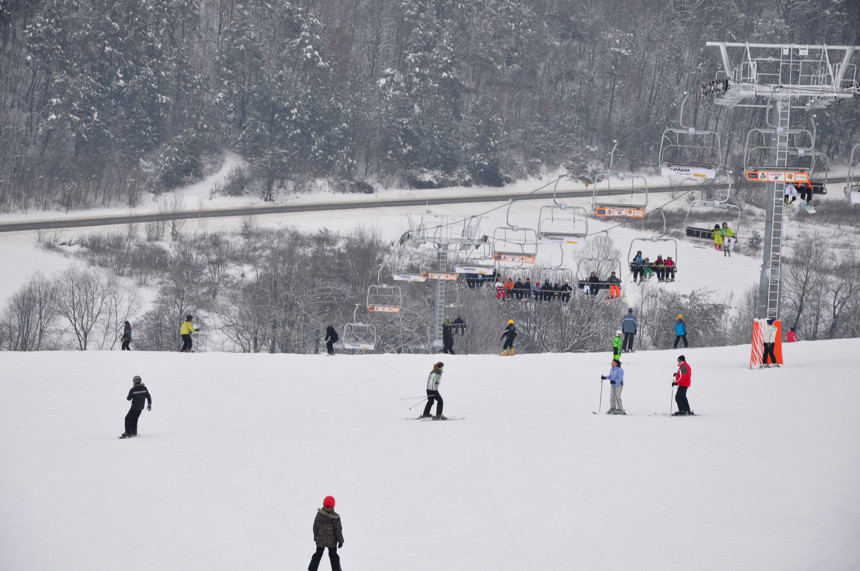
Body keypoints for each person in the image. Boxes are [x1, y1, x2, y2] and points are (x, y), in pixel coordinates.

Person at [308, 495, 344, 571]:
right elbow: (338, 531)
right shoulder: (336, 518)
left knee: (318, 554)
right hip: (332, 542)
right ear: (333, 504)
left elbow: (315, 527)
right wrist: (340, 541)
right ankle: (336, 569)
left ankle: (312, 569)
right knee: (333, 556)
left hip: (320, 541)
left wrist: (316, 538)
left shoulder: (319, 515)